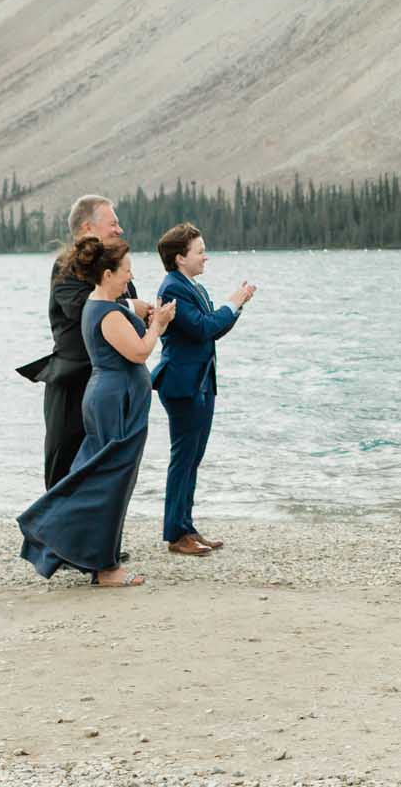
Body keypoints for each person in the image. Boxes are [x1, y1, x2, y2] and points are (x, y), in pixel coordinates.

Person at [17, 237, 175, 586]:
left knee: (104, 475)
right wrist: (159, 325)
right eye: (126, 271)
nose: (129, 277)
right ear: (106, 274)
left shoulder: (105, 303)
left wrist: (148, 310)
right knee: (109, 478)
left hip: (116, 397)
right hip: (114, 399)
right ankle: (100, 564)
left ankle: (91, 555)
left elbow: (130, 309)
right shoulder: (105, 312)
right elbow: (138, 352)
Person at [16, 193, 147, 490]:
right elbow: (82, 308)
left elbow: (134, 319)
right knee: (63, 466)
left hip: (109, 386)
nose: (119, 229)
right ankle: (48, 535)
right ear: (88, 227)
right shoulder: (66, 266)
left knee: (104, 466)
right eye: (113, 223)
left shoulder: (117, 271)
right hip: (73, 382)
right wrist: (130, 308)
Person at [152, 221, 256, 557]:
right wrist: (232, 303)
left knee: (193, 457)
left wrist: (236, 307)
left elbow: (212, 329)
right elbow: (202, 328)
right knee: (183, 458)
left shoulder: (192, 286)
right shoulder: (173, 288)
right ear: (180, 258)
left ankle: (186, 525)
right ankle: (175, 533)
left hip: (201, 381)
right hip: (181, 384)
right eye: (199, 251)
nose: (205, 257)